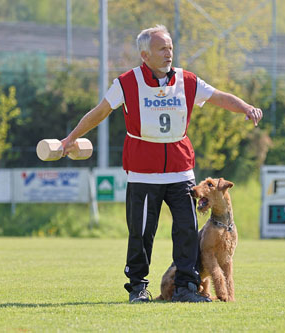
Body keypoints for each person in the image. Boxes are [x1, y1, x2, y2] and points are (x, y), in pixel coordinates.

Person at [61, 24, 263, 303]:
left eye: (170, 47)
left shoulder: (187, 80)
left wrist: (245, 107)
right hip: (143, 174)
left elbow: (218, 97)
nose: (169, 53)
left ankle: (186, 287)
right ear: (145, 55)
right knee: (141, 233)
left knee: (187, 231)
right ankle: (137, 288)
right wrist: (70, 139)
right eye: (162, 48)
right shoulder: (126, 82)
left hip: (181, 171)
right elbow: (100, 111)